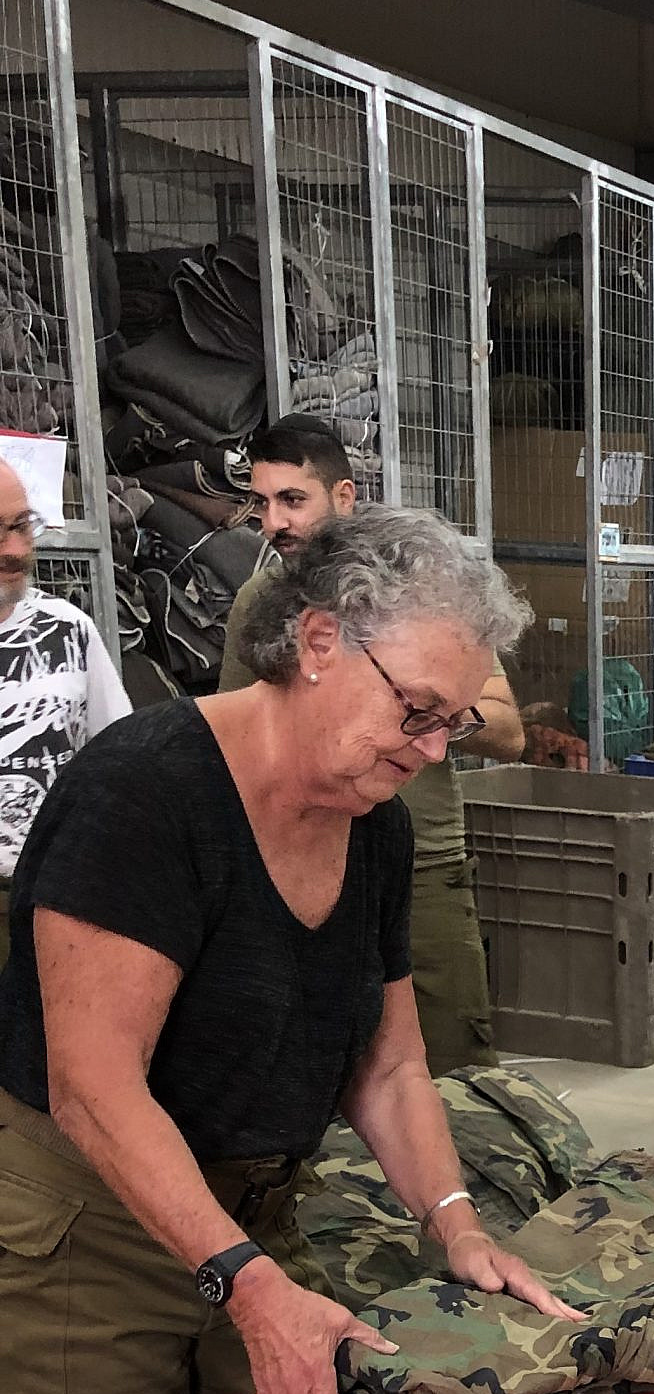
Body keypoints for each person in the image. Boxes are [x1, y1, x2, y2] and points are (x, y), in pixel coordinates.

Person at [0, 506, 577, 1394]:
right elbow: (93, 1088)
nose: (435, 749)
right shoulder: (144, 794)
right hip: (93, 1232)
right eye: (418, 711)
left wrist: (457, 1225)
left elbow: (390, 1068)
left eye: (453, 723)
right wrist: (250, 1289)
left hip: (257, 1214)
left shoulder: (374, 827)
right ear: (319, 642)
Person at [220, 415, 525, 1077]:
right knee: (317, 1068)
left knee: (456, 1071)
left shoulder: (430, 597)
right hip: (304, 868)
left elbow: (508, 731)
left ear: (345, 498)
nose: (274, 523)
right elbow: (234, 740)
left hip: (423, 866)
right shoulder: (260, 604)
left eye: (293, 500)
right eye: (262, 503)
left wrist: (419, 704)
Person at [0, 457, 131, 979]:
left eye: (20, 525)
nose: (13, 550)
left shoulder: (67, 630)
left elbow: (118, 766)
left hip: (54, 900)